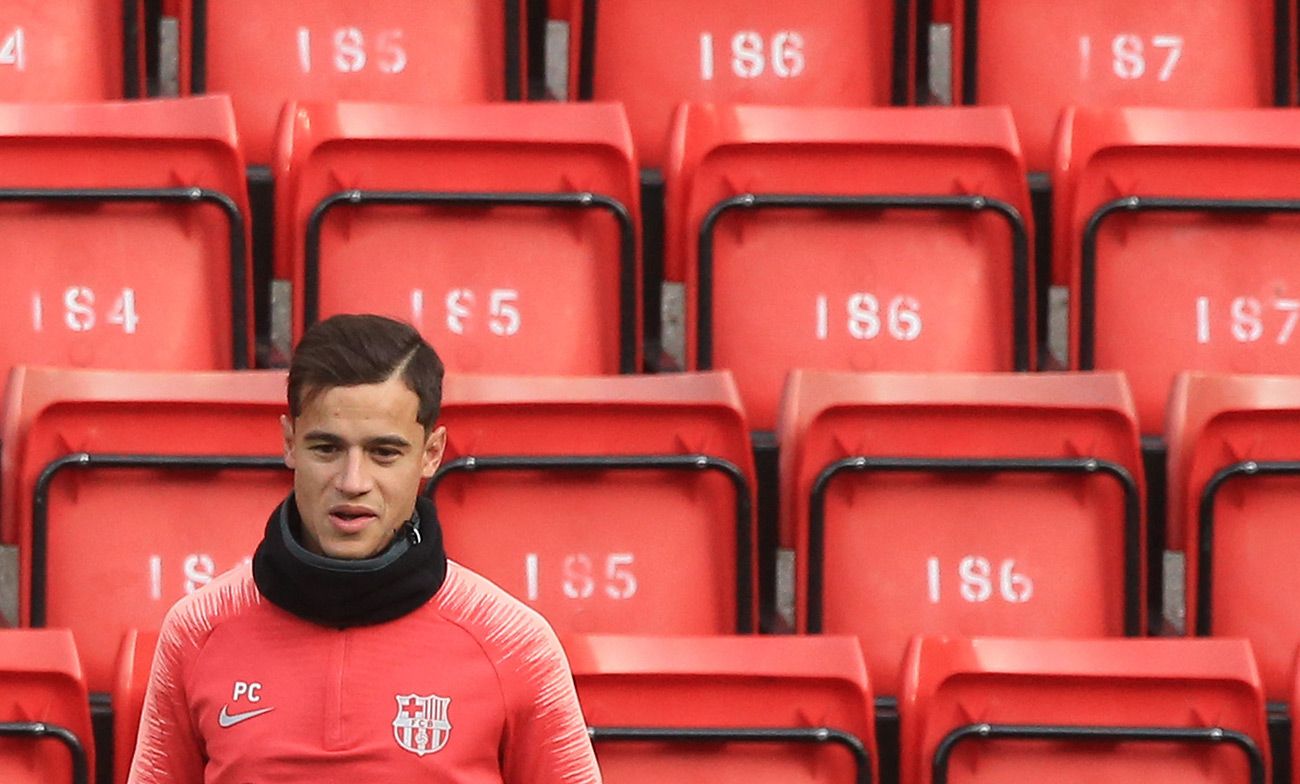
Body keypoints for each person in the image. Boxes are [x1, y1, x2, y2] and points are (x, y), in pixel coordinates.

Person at [128, 314, 602, 783]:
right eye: (327, 449)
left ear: (431, 453)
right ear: (289, 442)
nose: (352, 482)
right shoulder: (197, 630)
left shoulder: (513, 643)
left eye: (384, 452)